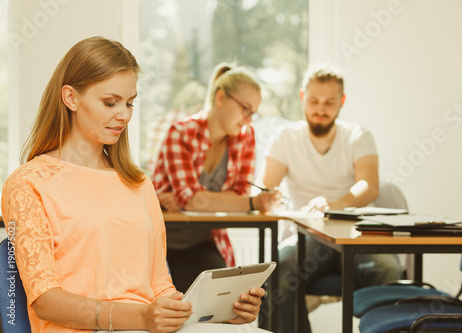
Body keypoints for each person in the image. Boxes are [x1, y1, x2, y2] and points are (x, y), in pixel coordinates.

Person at [1, 36, 266, 333]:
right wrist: (140, 317)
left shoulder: (138, 183)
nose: (124, 114)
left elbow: (160, 288)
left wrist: (220, 313)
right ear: (70, 98)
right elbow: (46, 301)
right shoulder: (28, 183)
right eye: (110, 102)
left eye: (129, 103)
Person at [261, 64, 403, 332]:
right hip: (309, 237)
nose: (320, 110)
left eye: (329, 103)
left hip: (356, 234)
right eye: (313, 101)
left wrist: (335, 204)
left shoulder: (358, 136)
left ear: (342, 102)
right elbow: (265, 189)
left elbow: (369, 186)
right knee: (279, 268)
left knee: (387, 269)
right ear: (303, 98)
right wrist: (266, 197)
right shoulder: (286, 138)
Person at [151, 63, 281, 292]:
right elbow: (193, 200)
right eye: (245, 109)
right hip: (161, 243)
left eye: (254, 113)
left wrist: (195, 200)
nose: (249, 120)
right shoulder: (180, 133)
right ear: (220, 98)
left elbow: (236, 194)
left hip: (202, 240)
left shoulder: (244, 136)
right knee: (177, 307)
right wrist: (250, 203)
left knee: (226, 301)